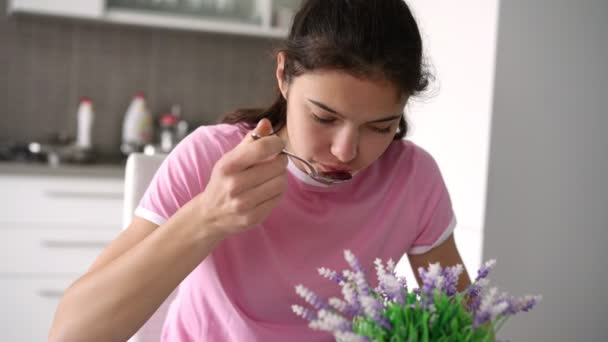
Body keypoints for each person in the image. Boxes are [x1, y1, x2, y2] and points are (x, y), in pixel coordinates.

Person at [49, 0, 471, 341]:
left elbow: (471, 326)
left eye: (380, 127)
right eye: (324, 117)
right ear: (284, 75)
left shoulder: (413, 180)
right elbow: (72, 334)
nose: (345, 151)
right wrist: (207, 218)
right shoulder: (209, 156)